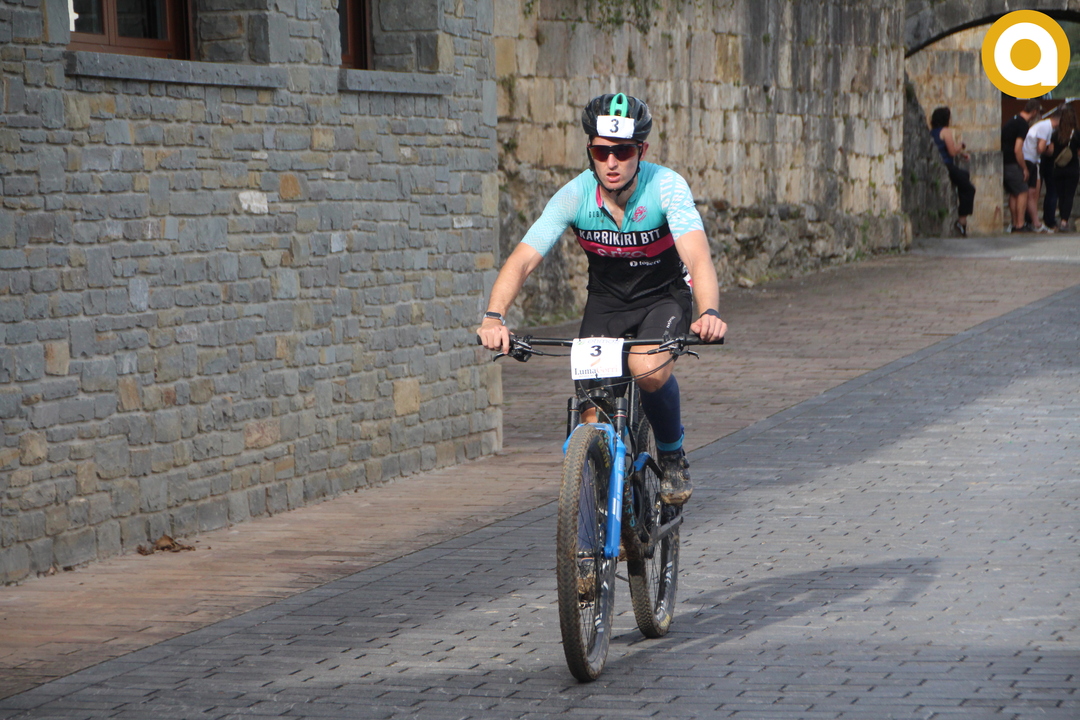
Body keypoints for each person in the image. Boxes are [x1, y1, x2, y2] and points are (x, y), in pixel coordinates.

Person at [476, 93, 727, 506]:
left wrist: (709, 312)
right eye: (600, 151)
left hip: (662, 297)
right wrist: (493, 317)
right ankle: (600, 515)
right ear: (590, 151)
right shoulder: (575, 195)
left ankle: (672, 454)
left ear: (641, 151)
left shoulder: (666, 187)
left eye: (623, 151)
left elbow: (698, 258)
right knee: (592, 412)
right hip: (607, 302)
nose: (611, 162)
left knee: (646, 370)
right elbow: (522, 260)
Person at [929, 107, 976, 236]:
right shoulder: (946, 131)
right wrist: (961, 146)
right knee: (969, 189)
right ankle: (962, 220)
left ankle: (962, 220)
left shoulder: (932, 132)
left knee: (964, 176)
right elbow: (951, 151)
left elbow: (942, 149)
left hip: (940, 164)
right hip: (947, 166)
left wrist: (960, 154)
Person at [1002, 99, 1040, 232]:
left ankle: (1014, 223)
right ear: (1034, 112)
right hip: (1013, 163)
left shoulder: (1013, 120)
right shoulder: (1022, 124)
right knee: (1023, 191)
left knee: (1014, 193)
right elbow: (1018, 149)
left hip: (1004, 161)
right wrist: (1024, 168)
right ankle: (1020, 224)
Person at [1021, 106, 1058, 233]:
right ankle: (1033, 222)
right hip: (1031, 160)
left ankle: (1033, 221)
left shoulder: (1043, 127)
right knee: (1030, 193)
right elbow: (1041, 149)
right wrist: (1050, 148)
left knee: (1033, 193)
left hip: (1035, 161)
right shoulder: (1045, 128)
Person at [1051, 103, 1080, 232]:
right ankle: (1064, 221)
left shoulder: (1055, 134)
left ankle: (1060, 219)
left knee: (1061, 195)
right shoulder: (1077, 134)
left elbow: (1051, 151)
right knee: (1069, 195)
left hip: (1058, 168)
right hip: (1072, 168)